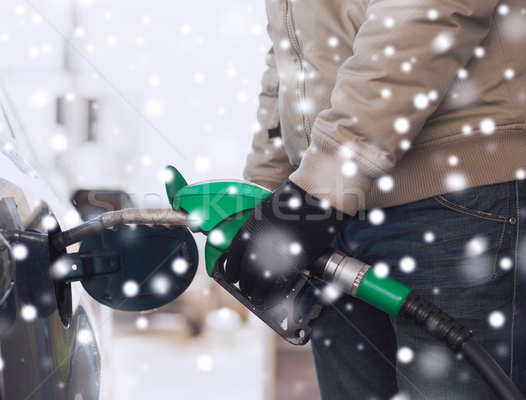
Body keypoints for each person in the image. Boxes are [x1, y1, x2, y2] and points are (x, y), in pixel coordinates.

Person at [224, 0, 526, 398]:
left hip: (447, 197)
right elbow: (293, 46)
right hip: (334, 207)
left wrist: (325, 178)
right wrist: (268, 187)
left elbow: (428, 9)